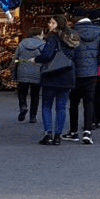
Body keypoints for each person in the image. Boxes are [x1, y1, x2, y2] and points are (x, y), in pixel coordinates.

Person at [65, 13, 100, 145]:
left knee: (74, 102)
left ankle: (73, 131)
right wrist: (96, 63)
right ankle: (87, 131)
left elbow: (68, 51)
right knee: (89, 102)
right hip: (91, 72)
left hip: (75, 71)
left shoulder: (72, 32)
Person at [36, 15, 78, 145]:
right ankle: (58, 136)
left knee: (47, 105)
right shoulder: (72, 37)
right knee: (61, 107)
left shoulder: (52, 37)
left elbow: (47, 55)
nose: (49, 24)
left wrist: (37, 59)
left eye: (52, 22)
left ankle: (48, 134)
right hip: (67, 74)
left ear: (58, 24)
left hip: (52, 74)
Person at [12, 26, 44, 124]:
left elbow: (15, 59)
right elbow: (46, 58)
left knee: (22, 92)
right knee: (35, 95)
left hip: (22, 71)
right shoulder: (43, 44)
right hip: (37, 72)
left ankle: (23, 106)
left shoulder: (22, 43)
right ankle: (33, 116)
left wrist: (14, 73)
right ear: (39, 34)